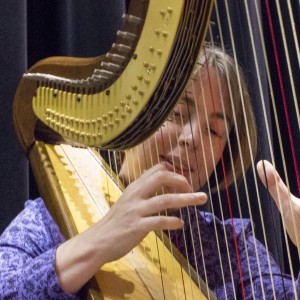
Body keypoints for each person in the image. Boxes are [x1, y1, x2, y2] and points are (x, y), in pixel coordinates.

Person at [0, 45, 299, 299]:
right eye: (177, 114)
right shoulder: (46, 221)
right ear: (132, 117)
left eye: (213, 130)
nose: (193, 139)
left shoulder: (231, 246)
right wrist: (97, 242)